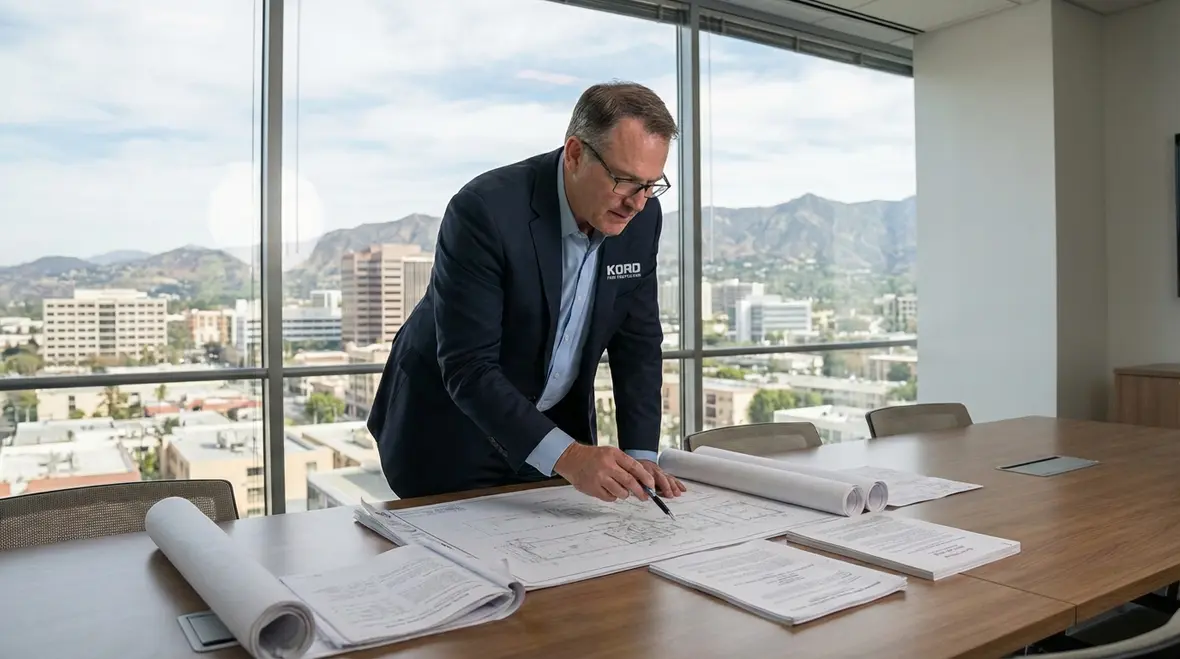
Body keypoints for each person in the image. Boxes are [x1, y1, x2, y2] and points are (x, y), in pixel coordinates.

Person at [368, 81, 687, 504]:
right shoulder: (485, 210)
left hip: (555, 423)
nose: (638, 203)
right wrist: (571, 457)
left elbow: (639, 343)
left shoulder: (643, 218)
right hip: (451, 426)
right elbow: (468, 366)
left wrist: (640, 454)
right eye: (625, 181)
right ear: (574, 153)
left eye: (651, 184)